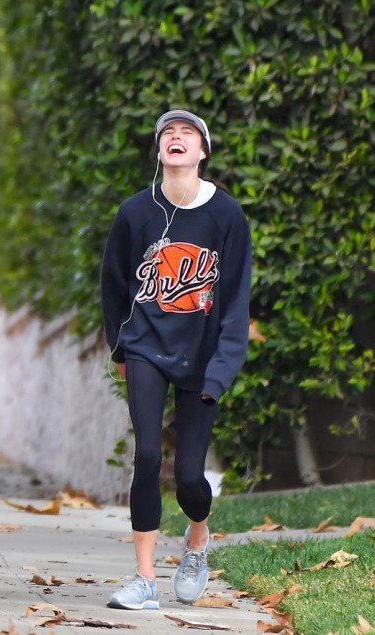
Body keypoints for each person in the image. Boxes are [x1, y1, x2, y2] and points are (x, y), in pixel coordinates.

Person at [100, 110, 252, 609]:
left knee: (189, 475)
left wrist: (222, 369)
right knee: (147, 456)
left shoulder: (226, 216)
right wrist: (121, 347)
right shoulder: (134, 213)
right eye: (168, 133)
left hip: (203, 355)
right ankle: (144, 578)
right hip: (145, 344)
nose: (176, 138)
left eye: (188, 133)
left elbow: (233, 300)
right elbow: (114, 285)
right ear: (160, 151)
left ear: (202, 152)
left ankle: (197, 538)